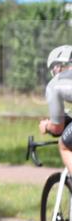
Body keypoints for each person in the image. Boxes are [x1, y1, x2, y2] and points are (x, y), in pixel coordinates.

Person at [41, 44, 72, 174]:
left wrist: (47, 126)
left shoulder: (55, 85)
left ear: (58, 67)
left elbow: (57, 127)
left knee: (64, 145)